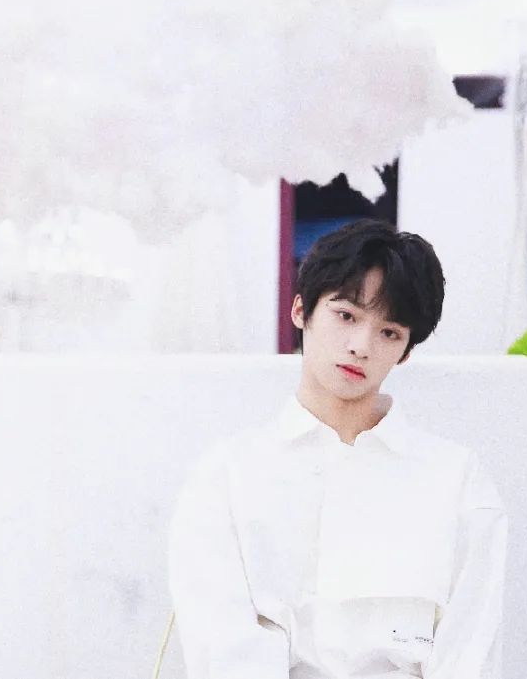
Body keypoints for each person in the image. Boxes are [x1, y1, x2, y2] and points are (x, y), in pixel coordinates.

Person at [167, 219, 508, 679]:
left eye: (389, 332)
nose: (361, 347)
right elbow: (223, 653)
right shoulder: (226, 477)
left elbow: (469, 655)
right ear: (300, 310)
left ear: (406, 351)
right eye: (346, 316)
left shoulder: (457, 481)